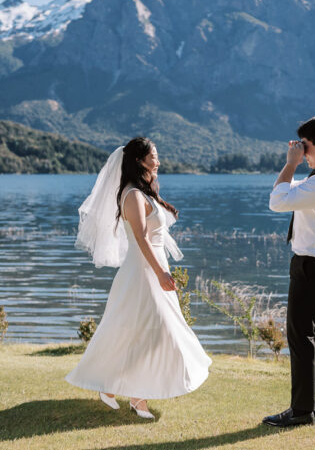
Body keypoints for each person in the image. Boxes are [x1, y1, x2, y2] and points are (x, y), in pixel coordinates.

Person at [66, 137, 211, 420]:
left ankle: (115, 388)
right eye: (153, 155)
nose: (158, 159)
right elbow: (142, 239)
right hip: (143, 271)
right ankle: (133, 394)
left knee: (145, 332)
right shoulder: (132, 195)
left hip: (154, 267)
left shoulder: (144, 192)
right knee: (151, 331)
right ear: (139, 160)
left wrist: (162, 270)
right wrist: (160, 273)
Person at [264, 116, 315, 427]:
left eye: (307, 147)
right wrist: (298, 164)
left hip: (313, 265)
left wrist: (291, 164)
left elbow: (277, 200)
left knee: (301, 335)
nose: (303, 151)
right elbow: (294, 192)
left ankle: (301, 411)